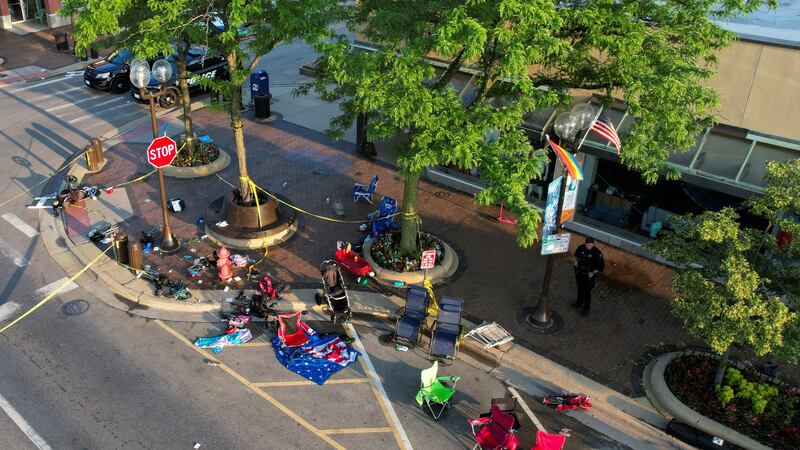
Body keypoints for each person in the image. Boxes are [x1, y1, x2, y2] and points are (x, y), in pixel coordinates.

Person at [573, 237, 604, 316]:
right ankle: (579, 302)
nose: (589, 247)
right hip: (580, 273)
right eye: (588, 245)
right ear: (585, 243)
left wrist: (593, 272)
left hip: (589, 276)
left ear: (593, 245)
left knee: (587, 292)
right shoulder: (581, 248)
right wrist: (576, 261)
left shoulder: (597, 253)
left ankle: (586, 309)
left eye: (591, 245)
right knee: (580, 288)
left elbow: (601, 266)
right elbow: (576, 256)